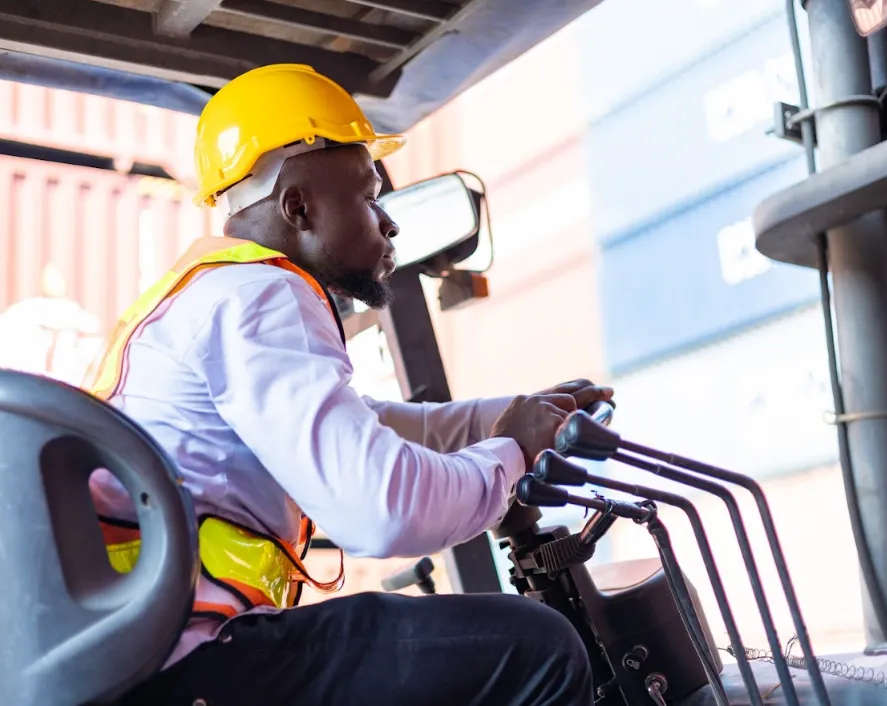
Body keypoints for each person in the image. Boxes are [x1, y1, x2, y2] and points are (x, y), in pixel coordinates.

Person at [87, 63, 611, 705]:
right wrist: (512, 453)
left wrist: (516, 418)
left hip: (147, 657)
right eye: (369, 196)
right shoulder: (263, 294)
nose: (390, 223)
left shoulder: (208, 294)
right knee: (540, 646)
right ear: (298, 207)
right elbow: (383, 508)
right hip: (190, 661)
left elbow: (368, 427)